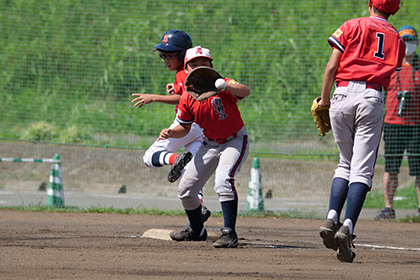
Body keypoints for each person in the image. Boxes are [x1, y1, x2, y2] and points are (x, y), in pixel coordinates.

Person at [317, 0, 405, 263]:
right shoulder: (398, 39)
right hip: (371, 96)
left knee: (345, 163)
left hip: (342, 93)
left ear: (370, 4)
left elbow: (332, 67)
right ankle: (347, 228)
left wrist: (324, 100)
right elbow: (391, 75)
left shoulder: (351, 25)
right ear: (394, 10)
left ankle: (331, 217)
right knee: (362, 169)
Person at [157, 46, 250, 248]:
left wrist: (226, 86)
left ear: (211, 65)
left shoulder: (223, 84)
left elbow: (245, 91)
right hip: (209, 144)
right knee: (186, 190)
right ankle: (196, 230)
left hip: (234, 141)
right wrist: (172, 132)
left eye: (203, 62)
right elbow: (185, 126)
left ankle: (229, 234)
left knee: (223, 181)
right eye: (194, 64)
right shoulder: (187, 96)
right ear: (186, 69)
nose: (199, 66)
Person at [131, 30, 211, 223]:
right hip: (204, 129)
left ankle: (175, 158)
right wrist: (176, 87)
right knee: (190, 174)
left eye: (169, 55)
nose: (165, 59)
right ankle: (199, 208)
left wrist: (154, 97)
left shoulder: (185, 71)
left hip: (188, 125)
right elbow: (184, 89)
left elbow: (185, 97)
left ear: (184, 55)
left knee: (150, 157)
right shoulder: (188, 73)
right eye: (162, 55)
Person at [375, 25, 420, 221]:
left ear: (417, 43)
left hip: (416, 125)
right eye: (405, 41)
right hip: (393, 123)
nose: (408, 45)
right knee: (391, 168)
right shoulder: (389, 64)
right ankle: (388, 208)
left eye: (411, 40)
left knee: (418, 170)